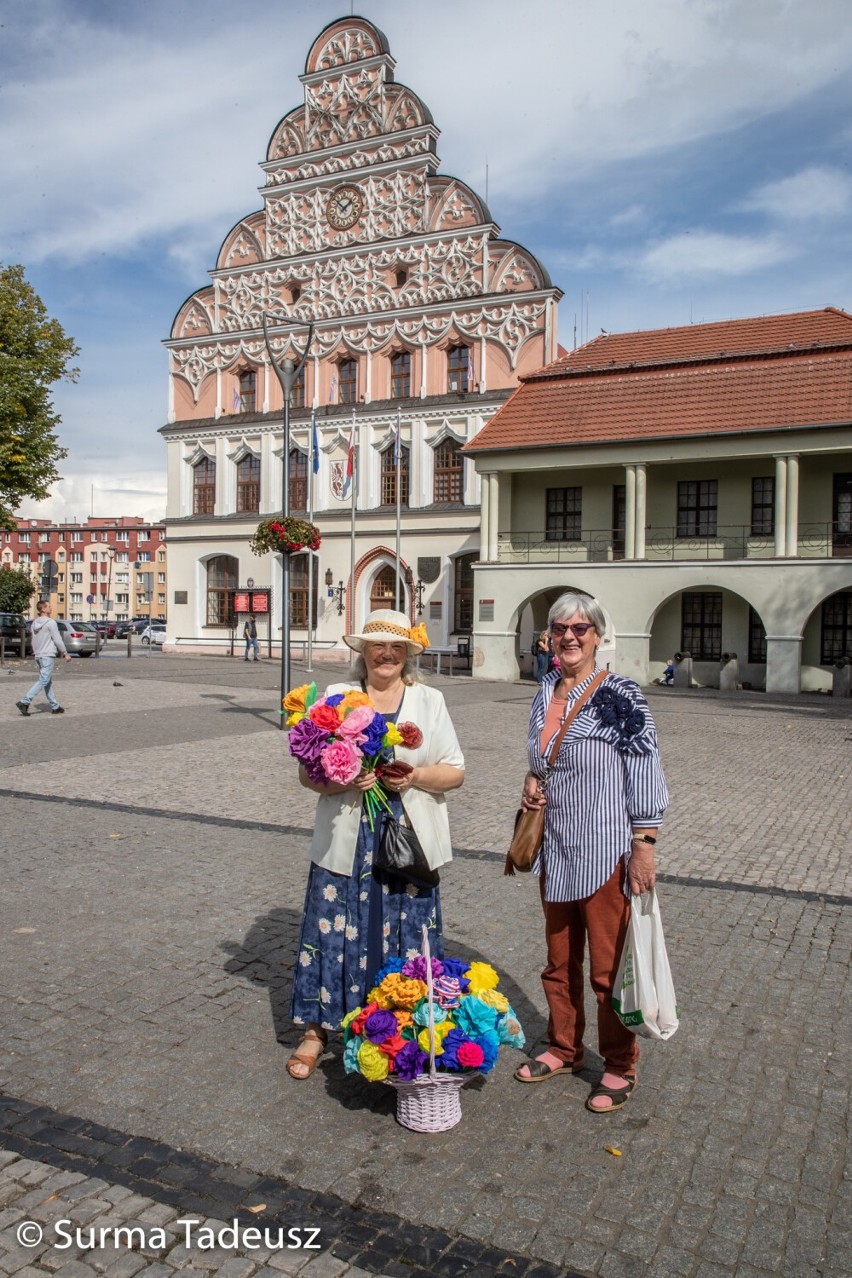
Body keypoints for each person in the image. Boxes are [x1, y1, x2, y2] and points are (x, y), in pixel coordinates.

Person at [286, 608, 465, 1079]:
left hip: (408, 841)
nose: (385, 655)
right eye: (376, 646)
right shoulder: (336, 698)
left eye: (395, 647)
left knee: (406, 934)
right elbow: (308, 775)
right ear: (361, 652)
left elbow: (456, 771)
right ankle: (317, 1030)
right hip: (347, 839)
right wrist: (343, 779)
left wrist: (416, 776)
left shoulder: (430, 700)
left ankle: (402, 1031)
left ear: (407, 655)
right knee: (332, 931)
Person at [513, 590, 669, 1112]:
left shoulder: (621, 694)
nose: (570, 637)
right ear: (549, 637)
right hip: (555, 849)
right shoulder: (543, 690)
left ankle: (620, 1064)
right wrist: (533, 780)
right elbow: (542, 755)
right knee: (559, 962)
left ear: (598, 636)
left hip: (604, 851)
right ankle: (565, 1047)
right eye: (560, 629)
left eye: (581, 629)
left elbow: (645, 769)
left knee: (607, 970)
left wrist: (644, 844)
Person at [16, 600, 71, 716]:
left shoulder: (34, 623)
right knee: (44, 680)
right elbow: (57, 639)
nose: (51, 608)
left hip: (39, 655)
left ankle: (55, 706)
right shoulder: (51, 623)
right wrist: (65, 652)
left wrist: (36, 652)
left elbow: (33, 641)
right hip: (47, 655)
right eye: (49, 606)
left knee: (47, 681)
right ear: (43, 609)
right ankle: (24, 701)